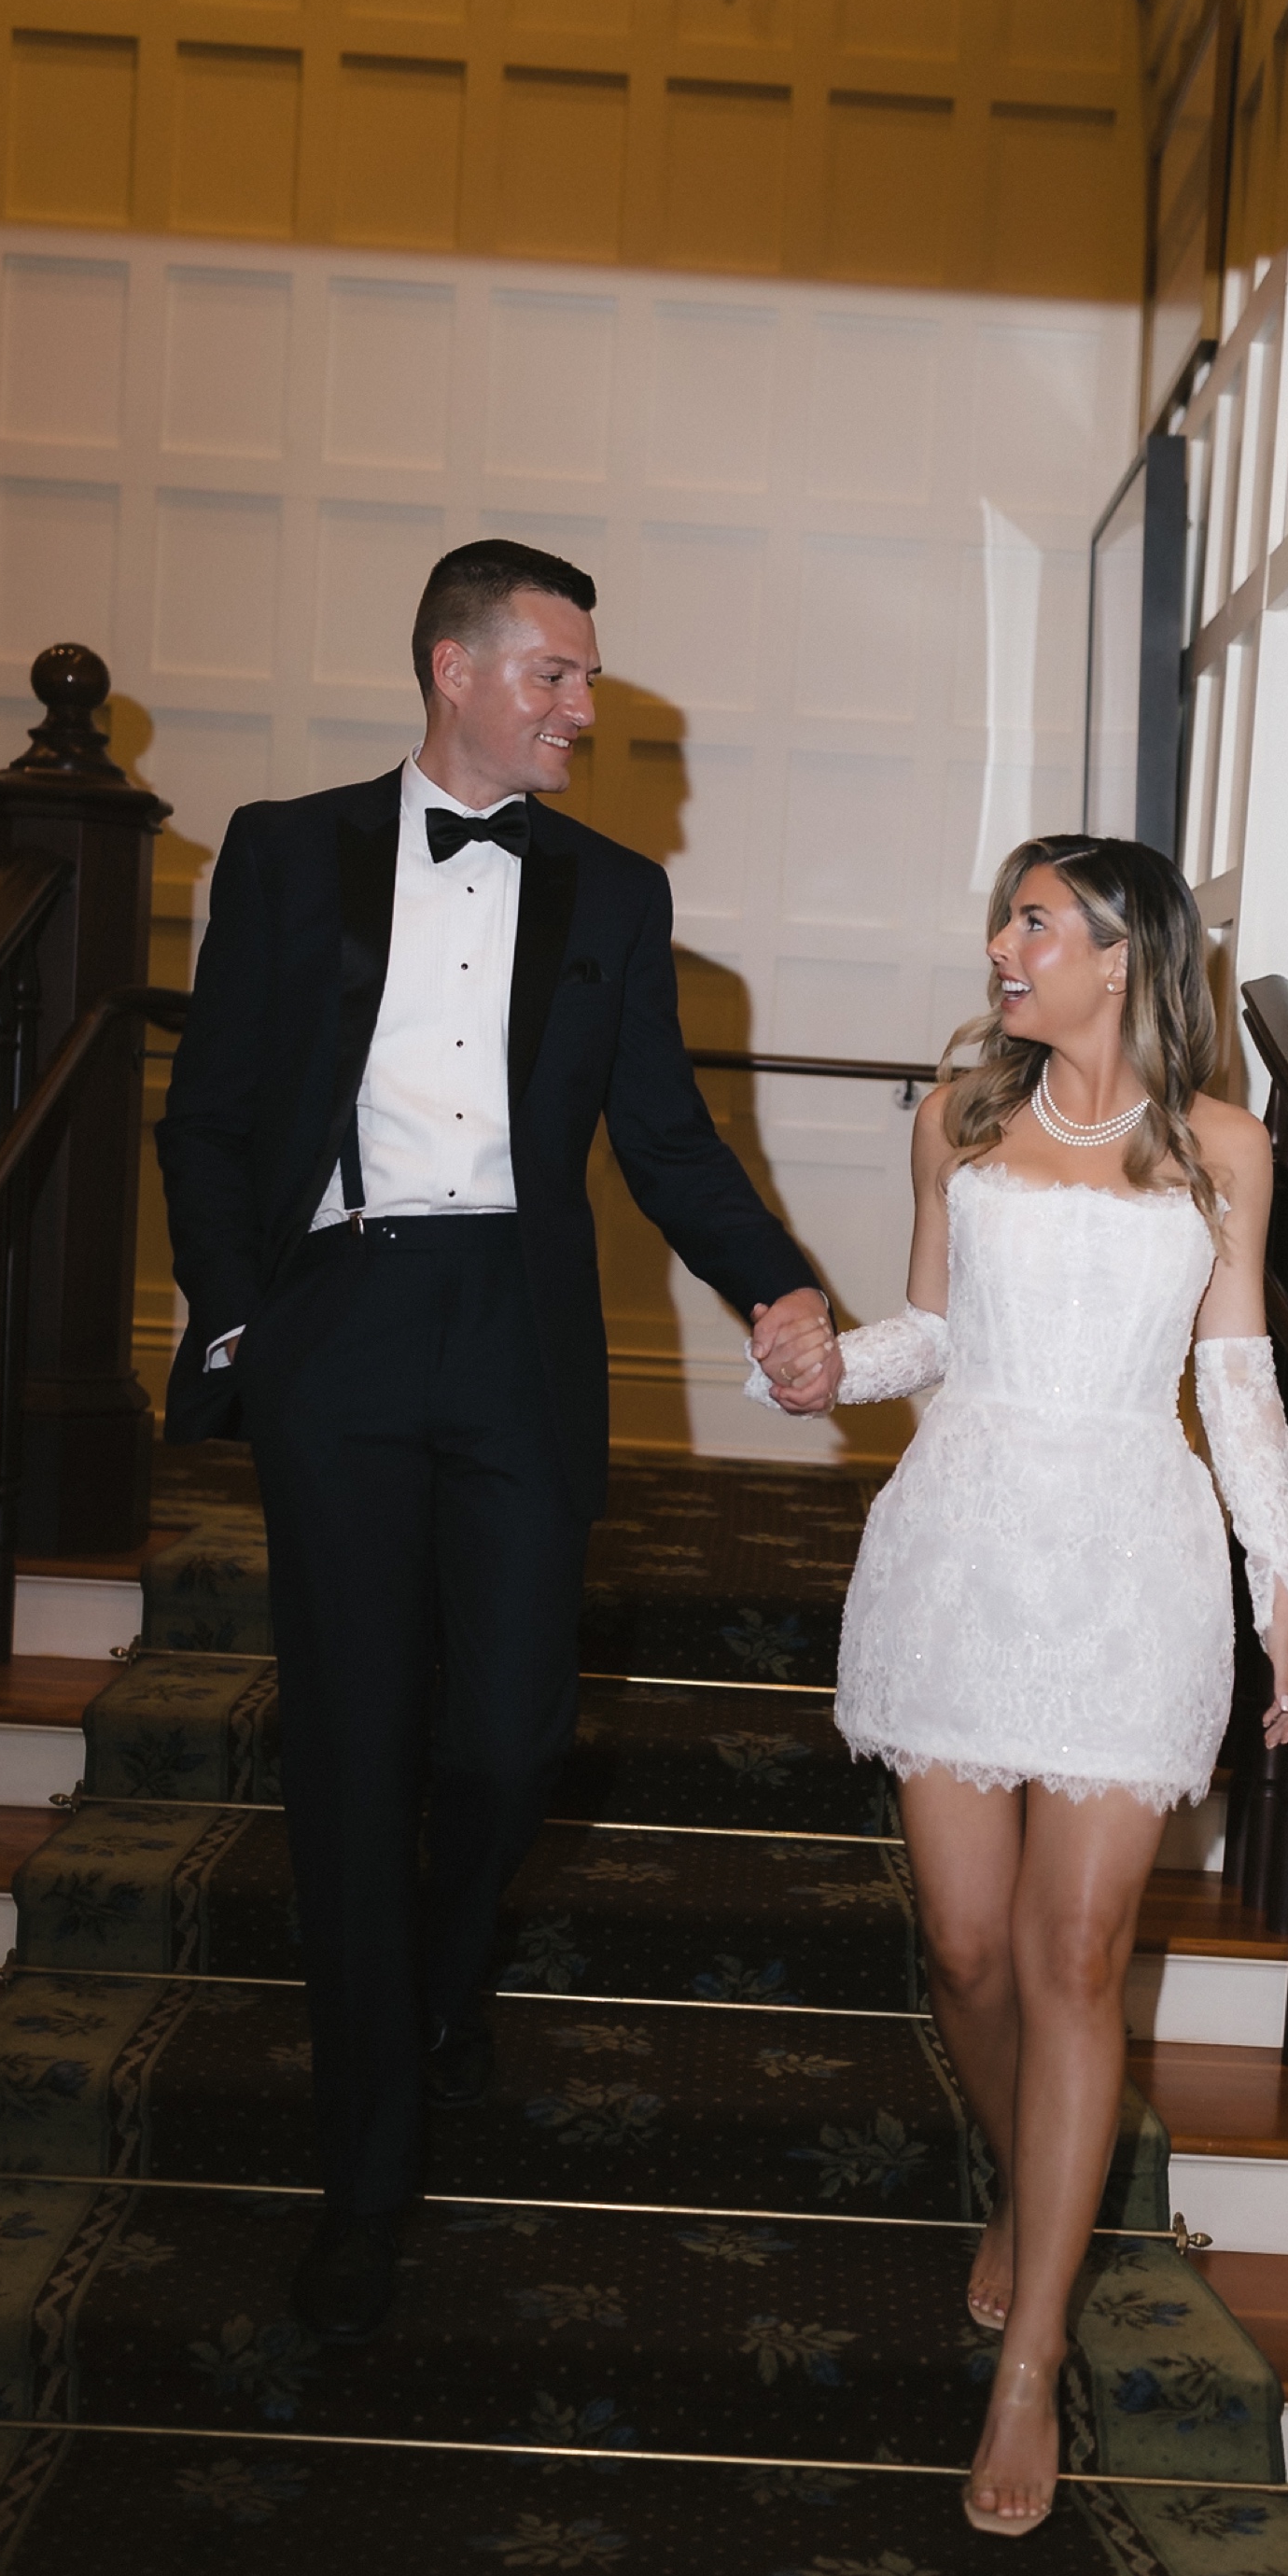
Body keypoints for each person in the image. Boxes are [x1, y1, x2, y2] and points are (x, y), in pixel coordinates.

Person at [158, 538, 842, 2342]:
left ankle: (447, 1972)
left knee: (511, 1729)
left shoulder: (616, 893)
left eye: (589, 678)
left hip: (520, 1345)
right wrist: (245, 1325)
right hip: (342, 1329)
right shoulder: (287, 848)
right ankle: (364, 2172)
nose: (583, 709)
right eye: (556, 674)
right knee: (353, 1747)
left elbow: (670, 1139)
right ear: (455, 668)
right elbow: (211, 1115)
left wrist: (775, 1288)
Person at [753, 835, 1288, 2538]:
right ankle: (1028, 2172)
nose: (1003, 945)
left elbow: (1236, 1380)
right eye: (1005, 916)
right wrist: (828, 1366)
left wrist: (1280, 1593)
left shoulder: (1227, 1150)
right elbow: (931, 1331)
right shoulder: (959, 1119)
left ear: (1125, 955)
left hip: (1131, 1569)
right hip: (961, 1548)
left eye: (1036, 921)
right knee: (970, 1947)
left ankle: (1034, 2353)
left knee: (1079, 1958)